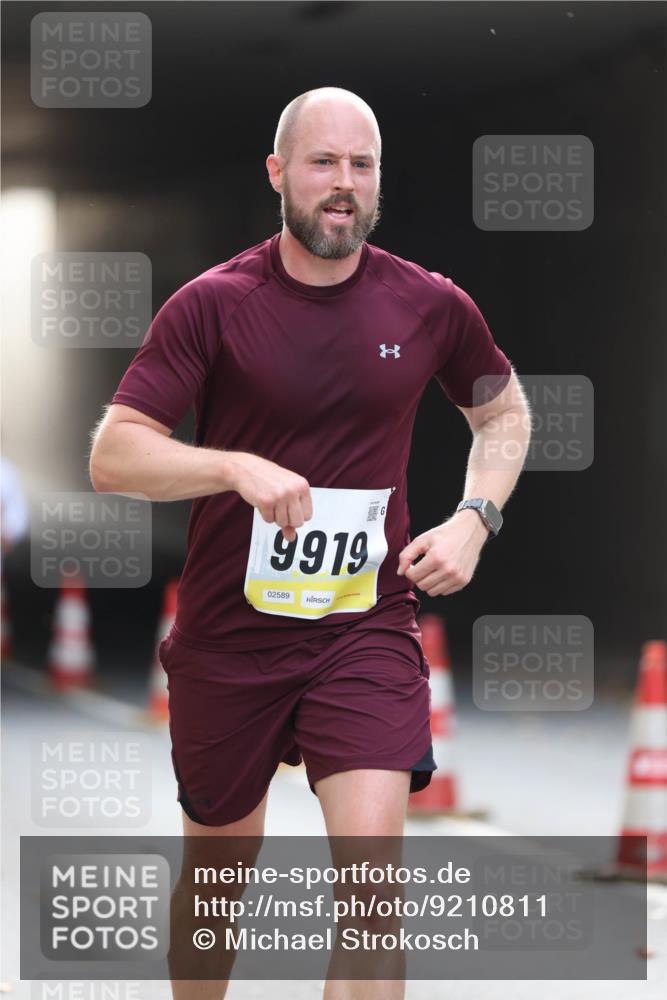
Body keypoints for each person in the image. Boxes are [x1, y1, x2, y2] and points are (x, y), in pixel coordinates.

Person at [89, 86, 531, 999]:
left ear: (377, 183)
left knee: (372, 894)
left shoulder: (429, 305)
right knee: (218, 890)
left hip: (361, 629)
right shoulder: (213, 305)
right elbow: (114, 455)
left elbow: (504, 414)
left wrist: (473, 518)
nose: (342, 185)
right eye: (323, 163)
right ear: (277, 173)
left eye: (360, 166)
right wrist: (231, 469)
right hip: (227, 637)